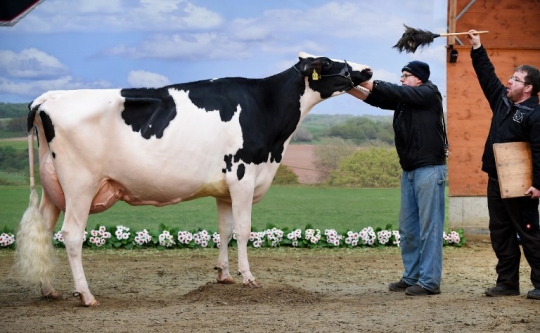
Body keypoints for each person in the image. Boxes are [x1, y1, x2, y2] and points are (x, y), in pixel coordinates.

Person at [348, 60, 447, 296]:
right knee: (408, 228)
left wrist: (366, 80)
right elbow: (375, 99)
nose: (402, 79)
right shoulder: (406, 100)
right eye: (401, 76)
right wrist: (347, 86)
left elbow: (391, 90)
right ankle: (412, 276)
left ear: (419, 79)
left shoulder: (429, 93)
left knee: (429, 228)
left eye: (406, 75)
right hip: (410, 170)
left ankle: (429, 282)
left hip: (430, 170)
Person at [466, 30, 540, 300]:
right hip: (497, 179)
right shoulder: (502, 101)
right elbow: (487, 75)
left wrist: (538, 184)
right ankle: (507, 283)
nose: (509, 82)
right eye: (511, 77)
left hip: (523, 184)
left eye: (516, 79)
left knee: (529, 233)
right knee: (500, 231)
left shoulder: (535, 114)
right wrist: (477, 47)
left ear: (528, 88)